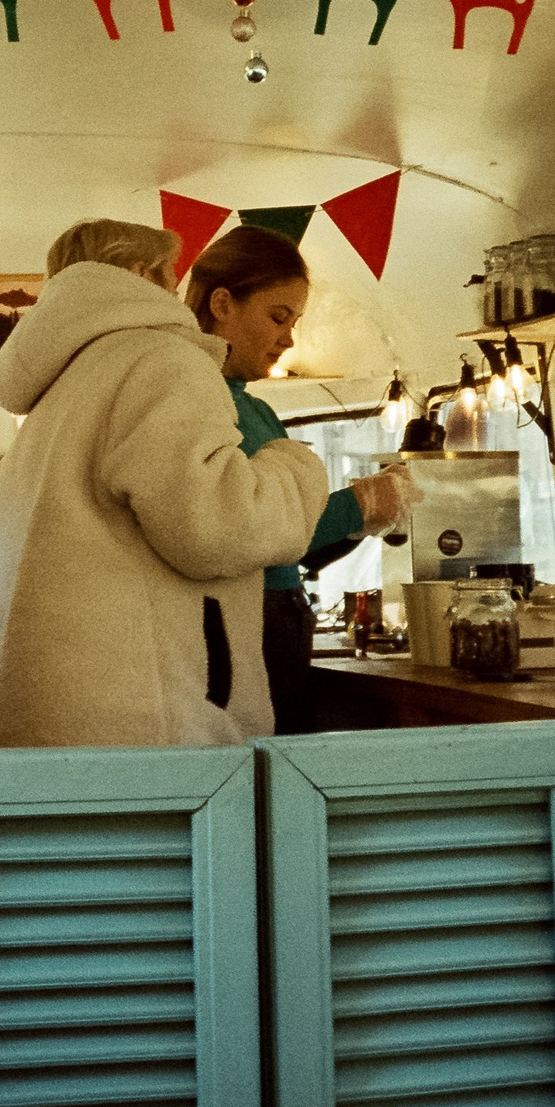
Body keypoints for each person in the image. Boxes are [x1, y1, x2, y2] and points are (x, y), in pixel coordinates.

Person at [0, 219, 332, 747]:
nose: (182, 297)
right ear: (140, 277)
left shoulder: (59, 386)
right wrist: (295, 466)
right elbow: (219, 526)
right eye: (171, 277)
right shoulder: (160, 360)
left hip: (47, 725)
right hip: (139, 731)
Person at [184, 226, 417, 734]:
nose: (287, 339)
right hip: (235, 628)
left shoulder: (259, 410)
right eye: (277, 317)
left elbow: (292, 545)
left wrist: (363, 522)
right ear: (222, 303)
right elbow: (241, 528)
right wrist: (358, 503)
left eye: (294, 321)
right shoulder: (191, 400)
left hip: (280, 619)